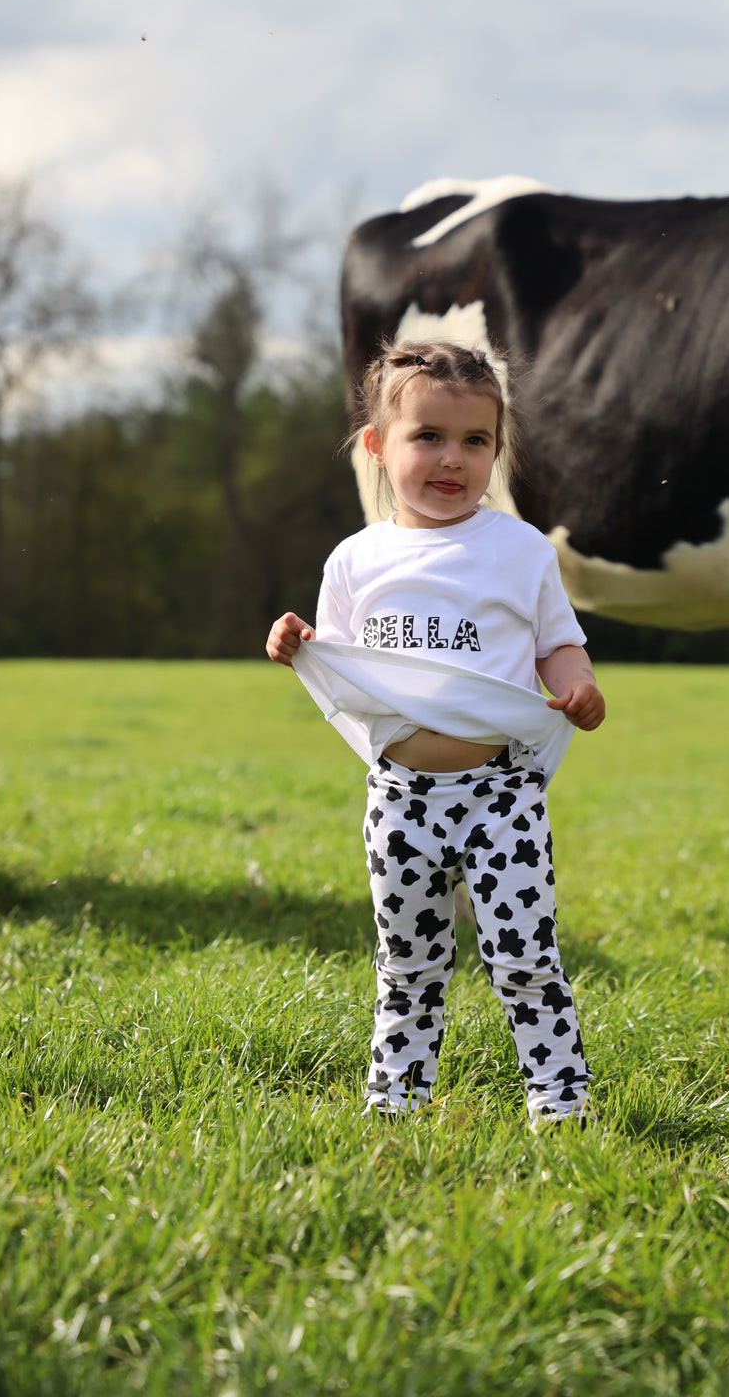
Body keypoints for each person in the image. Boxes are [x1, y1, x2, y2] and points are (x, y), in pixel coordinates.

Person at [266, 340, 605, 1127]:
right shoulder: (356, 559)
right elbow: (342, 660)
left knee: (525, 957)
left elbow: (558, 642)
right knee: (410, 963)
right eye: (428, 437)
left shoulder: (519, 551)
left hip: (502, 794)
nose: (452, 459)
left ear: (497, 450)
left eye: (475, 441)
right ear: (378, 446)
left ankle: (561, 1101)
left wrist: (576, 685)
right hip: (400, 799)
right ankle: (396, 1104)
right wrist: (294, 642)